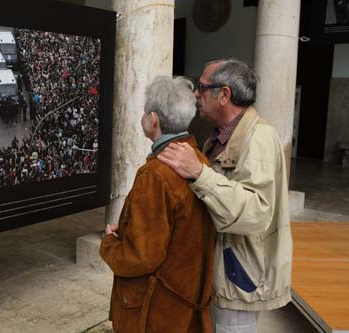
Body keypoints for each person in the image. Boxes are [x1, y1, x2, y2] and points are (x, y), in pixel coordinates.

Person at [158, 58, 293, 333]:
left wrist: (199, 173)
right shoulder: (218, 137)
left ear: (224, 95)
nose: (196, 94)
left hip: (237, 276)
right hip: (216, 270)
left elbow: (256, 212)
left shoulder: (259, 138)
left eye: (202, 87)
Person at [100, 76, 215, 332]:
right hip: (184, 300)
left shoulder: (156, 174)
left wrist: (109, 244)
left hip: (156, 309)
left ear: (153, 120)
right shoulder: (197, 160)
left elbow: (141, 257)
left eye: (144, 112)